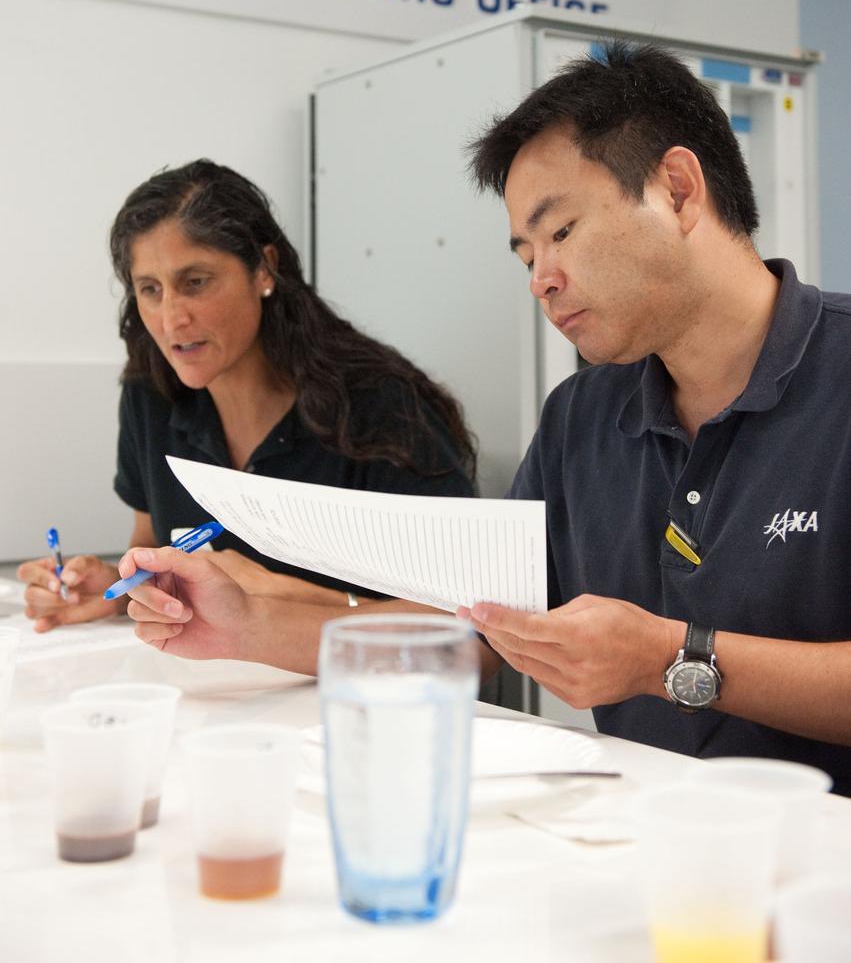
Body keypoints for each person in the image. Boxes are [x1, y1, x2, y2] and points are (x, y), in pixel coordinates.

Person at [458, 40, 851, 792]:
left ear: (676, 189)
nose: (541, 280)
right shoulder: (579, 415)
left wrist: (667, 657)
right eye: (524, 255)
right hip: (646, 856)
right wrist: (251, 616)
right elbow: (476, 629)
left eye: (561, 232)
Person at [18, 159, 476, 646]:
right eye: (150, 290)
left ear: (264, 269)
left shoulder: (382, 409)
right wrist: (114, 588)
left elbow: (471, 635)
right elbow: (151, 546)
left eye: (195, 282)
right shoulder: (149, 393)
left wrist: (271, 594)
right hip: (216, 699)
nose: (172, 320)